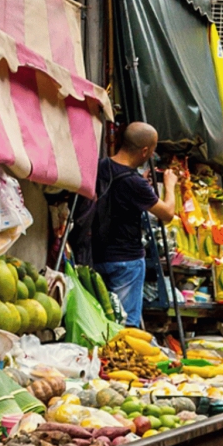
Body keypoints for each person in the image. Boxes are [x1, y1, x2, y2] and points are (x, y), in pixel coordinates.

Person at [89, 122, 177, 328]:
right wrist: (170, 186)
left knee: (101, 320)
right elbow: (167, 214)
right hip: (126, 261)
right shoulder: (135, 183)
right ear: (145, 150)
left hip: (97, 255)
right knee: (125, 325)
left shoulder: (100, 166)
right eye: (152, 151)